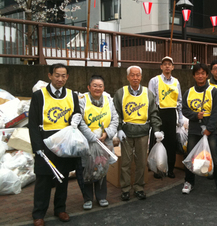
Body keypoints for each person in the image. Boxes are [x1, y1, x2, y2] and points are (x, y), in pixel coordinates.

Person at [29, 63, 82, 226]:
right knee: (43, 179)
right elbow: (32, 123)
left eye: (64, 75)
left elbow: (77, 116)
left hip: (64, 143)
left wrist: (77, 119)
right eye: (57, 75)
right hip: (45, 142)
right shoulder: (39, 96)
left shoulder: (72, 95)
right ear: (50, 75)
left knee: (63, 178)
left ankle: (60, 209)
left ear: (68, 77)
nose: (60, 79)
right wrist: (37, 147)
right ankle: (38, 214)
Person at [113, 66, 162, 201]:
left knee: (141, 163)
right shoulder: (120, 93)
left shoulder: (148, 93)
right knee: (125, 163)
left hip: (143, 132)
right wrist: (119, 129)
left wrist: (157, 130)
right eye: (132, 75)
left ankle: (139, 188)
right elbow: (115, 113)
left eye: (138, 75)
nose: (135, 78)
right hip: (126, 133)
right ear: (128, 77)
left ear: (141, 77)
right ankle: (125, 189)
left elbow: (153, 113)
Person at [181, 63, 217, 199]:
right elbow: (184, 109)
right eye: (197, 73)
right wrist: (195, 116)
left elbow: (216, 111)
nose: (200, 76)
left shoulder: (213, 91)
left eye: (203, 73)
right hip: (194, 128)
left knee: (215, 158)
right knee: (190, 156)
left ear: (207, 75)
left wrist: (209, 129)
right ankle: (189, 182)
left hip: (210, 128)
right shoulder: (188, 92)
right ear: (194, 75)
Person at [78, 75, 118, 210]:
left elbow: (115, 118)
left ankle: (101, 197)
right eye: (94, 85)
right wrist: (92, 136)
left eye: (100, 86)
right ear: (89, 87)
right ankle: (88, 198)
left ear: (104, 88)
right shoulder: (82, 100)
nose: (97, 88)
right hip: (88, 142)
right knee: (88, 169)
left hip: (104, 141)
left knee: (101, 168)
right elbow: (79, 121)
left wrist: (107, 133)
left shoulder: (108, 99)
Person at [148, 56, 183, 179]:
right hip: (159, 113)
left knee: (171, 142)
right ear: (161, 66)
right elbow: (150, 100)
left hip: (171, 113)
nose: (167, 66)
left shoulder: (176, 82)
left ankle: (170, 169)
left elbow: (179, 100)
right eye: (165, 64)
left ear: (173, 67)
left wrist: (181, 117)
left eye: (169, 64)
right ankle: (157, 169)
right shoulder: (154, 81)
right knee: (157, 140)